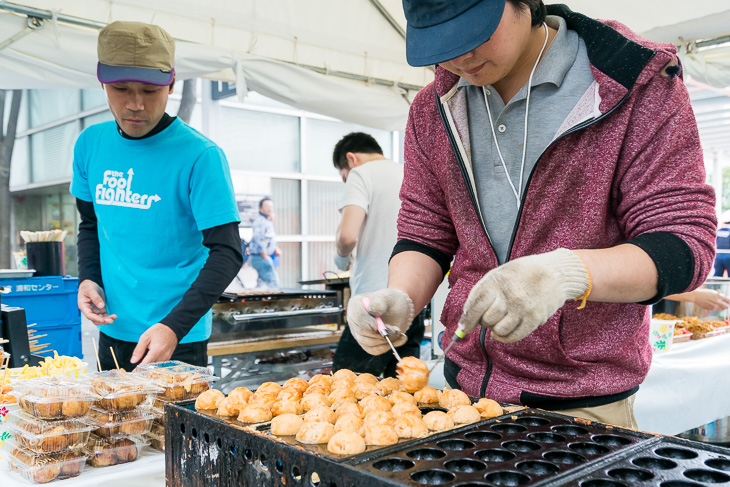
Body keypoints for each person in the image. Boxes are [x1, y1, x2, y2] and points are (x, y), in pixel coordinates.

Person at [345, 0, 716, 428]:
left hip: (584, 406)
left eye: (475, 32)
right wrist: (402, 296)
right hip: (460, 394)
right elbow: (427, 231)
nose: (461, 57)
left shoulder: (632, 82)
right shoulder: (435, 108)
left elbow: (683, 243)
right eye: (441, 42)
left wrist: (567, 273)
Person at [71, 21, 242, 371]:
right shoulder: (90, 144)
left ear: (171, 84)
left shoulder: (200, 155)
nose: (135, 104)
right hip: (114, 329)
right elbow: (91, 224)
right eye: (120, 88)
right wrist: (89, 277)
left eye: (149, 91)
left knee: (172, 428)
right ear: (103, 82)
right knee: (113, 426)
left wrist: (174, 326)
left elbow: (227, 252)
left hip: (177, 336)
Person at [331, 132, 425, 377]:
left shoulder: (361, 173)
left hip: (372, 304)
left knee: (347, 386)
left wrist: (340, 258)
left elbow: (347, 236)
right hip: (411, 300)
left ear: (351, 158)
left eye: (343, 175)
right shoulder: (412, 172)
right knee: (405, 388)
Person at [249, 197, 280, 288]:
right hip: (260, 256)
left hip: (263, 256)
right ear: (260, 209)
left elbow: (268, 238)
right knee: (273, 283)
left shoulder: (267, 221)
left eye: (271, 206)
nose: (269, 208)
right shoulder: (260, 221)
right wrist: (264, 254)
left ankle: (257, 302)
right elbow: (258, 238)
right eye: (267, 206)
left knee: (261, 285)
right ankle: (274, 302)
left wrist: (275, 248)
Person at [714, 210, 730, 277]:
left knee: (717, 275)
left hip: (718, 255)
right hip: (728, 255)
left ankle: (714, 287)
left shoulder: (717, 232)